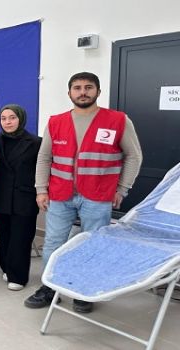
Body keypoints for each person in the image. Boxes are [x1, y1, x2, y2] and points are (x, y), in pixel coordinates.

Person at [24, 72, 143, 313]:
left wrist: (123, 188)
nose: (83, 92)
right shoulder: (56, 121)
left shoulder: (118, 120)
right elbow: (44, 158)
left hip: (98, 195)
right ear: (69, 93)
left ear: (98, 92)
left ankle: (83, 289)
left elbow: (134, 156)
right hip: (60, 194)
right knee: (53, 244)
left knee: (92, 244)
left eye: (89, 87)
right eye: (77, 88)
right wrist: (41, 189)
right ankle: (50, 286)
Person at [0, 104, 41, 291]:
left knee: (21, 237)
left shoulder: (36, 142)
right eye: (3, 118)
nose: (7, 122)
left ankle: (18, 276)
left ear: (21, 118)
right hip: (0, 195)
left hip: (24, 197)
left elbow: (42, 171)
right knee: (5, 236)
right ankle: (7, 268)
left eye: (12, 118)